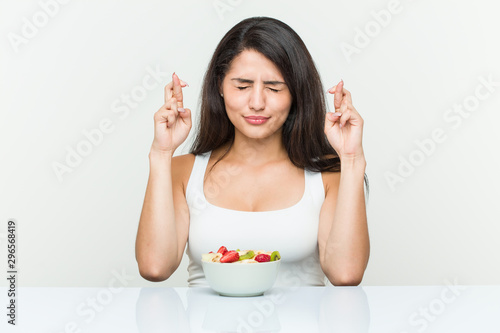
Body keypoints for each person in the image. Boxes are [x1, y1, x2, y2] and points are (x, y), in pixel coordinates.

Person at [135, 17, 369, 287]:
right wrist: (161, 153)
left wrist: (351, 160)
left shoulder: (328, 175)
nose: (257, 103)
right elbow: (154, 267)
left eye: (274, 88)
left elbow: (347, 274)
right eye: (242, 86)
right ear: (220, 88)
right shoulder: (182, 171)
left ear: (295, 94)